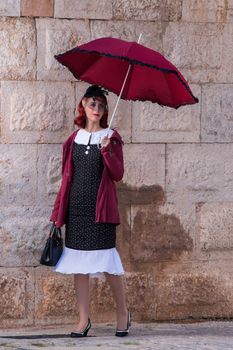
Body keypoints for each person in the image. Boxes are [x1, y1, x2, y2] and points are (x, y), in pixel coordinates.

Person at [50, 85, 131, 337]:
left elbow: (117, 174)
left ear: (105, 109)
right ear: (83, 106)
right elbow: (66, 180)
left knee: (108, 263)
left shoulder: (111, 137)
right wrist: (58, 213)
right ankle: (83, 320)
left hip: (100, 212)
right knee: (79, 267)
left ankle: (122, 313)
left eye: (101, 105)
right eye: (92, 103)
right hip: (76, 211)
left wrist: (106, 150)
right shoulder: (73, 140)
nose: (96, 109)